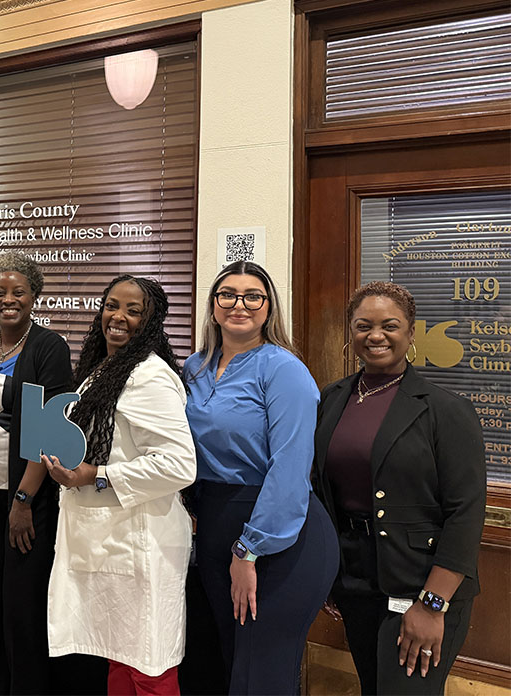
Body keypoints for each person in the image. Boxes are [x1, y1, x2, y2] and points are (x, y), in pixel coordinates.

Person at [313, 281, 485, 695]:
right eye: (362, 325)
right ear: (350, 332)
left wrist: (432, 604)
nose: (375, 336)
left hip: (421, 583)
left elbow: (465, 512)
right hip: (355, 578)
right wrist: (327, 574)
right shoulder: (331, 399)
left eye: (390, 325)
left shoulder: (445, 410)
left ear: (411, 333)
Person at [183, 260, 338, 695]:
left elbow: (290, 466)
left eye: (254, 296)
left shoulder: (282, 369)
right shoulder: (193, 368)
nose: (240, 305)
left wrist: (249, 549)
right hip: (216, 523)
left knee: (262, 674)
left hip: (279, 533)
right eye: (228, 295)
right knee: (232, 663)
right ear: (213, 306)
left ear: (269, 308)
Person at [43, 275, 197, 696]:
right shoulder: (104, 371)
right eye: (112, 305)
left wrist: (96, 475)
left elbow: (180, 465)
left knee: (150, 666)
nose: (119, 317)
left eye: (134, 311)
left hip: (142, 543)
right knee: (120, 657)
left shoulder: (148, 375)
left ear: (150, 322)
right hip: (110, 539)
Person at [0, 251, 72, 694]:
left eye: (18, 292)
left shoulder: (48, 347)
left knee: (21, 612)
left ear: (34, 295)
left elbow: (52, 430)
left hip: (27, 500)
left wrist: (24, 500)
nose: (8, 300)